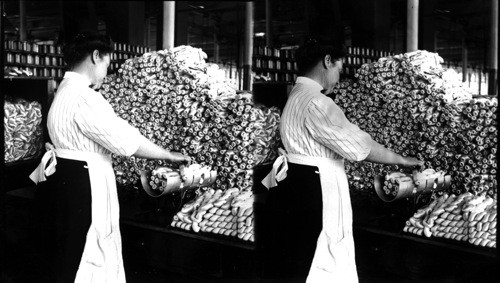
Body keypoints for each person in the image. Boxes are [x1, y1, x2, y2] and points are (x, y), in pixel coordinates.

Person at [255, 38, 424, 283]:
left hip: (295, 182)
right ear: (327, 62)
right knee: (325, 254)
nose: (338, 77)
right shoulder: (318, 103)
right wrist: (402, 160)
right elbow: (360, 148)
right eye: (338, 69)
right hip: (317, 186)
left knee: (302, 255)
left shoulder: (295, 96)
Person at [29, 32, 191, 283]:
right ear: (96, 56)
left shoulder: (63, 91)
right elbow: (125, 140)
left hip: (65, 179)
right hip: (86, 182)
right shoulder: (85, 97)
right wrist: (168, 155)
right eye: (106, 63)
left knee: (70, 252)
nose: (106, 71)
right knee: (93, 249)